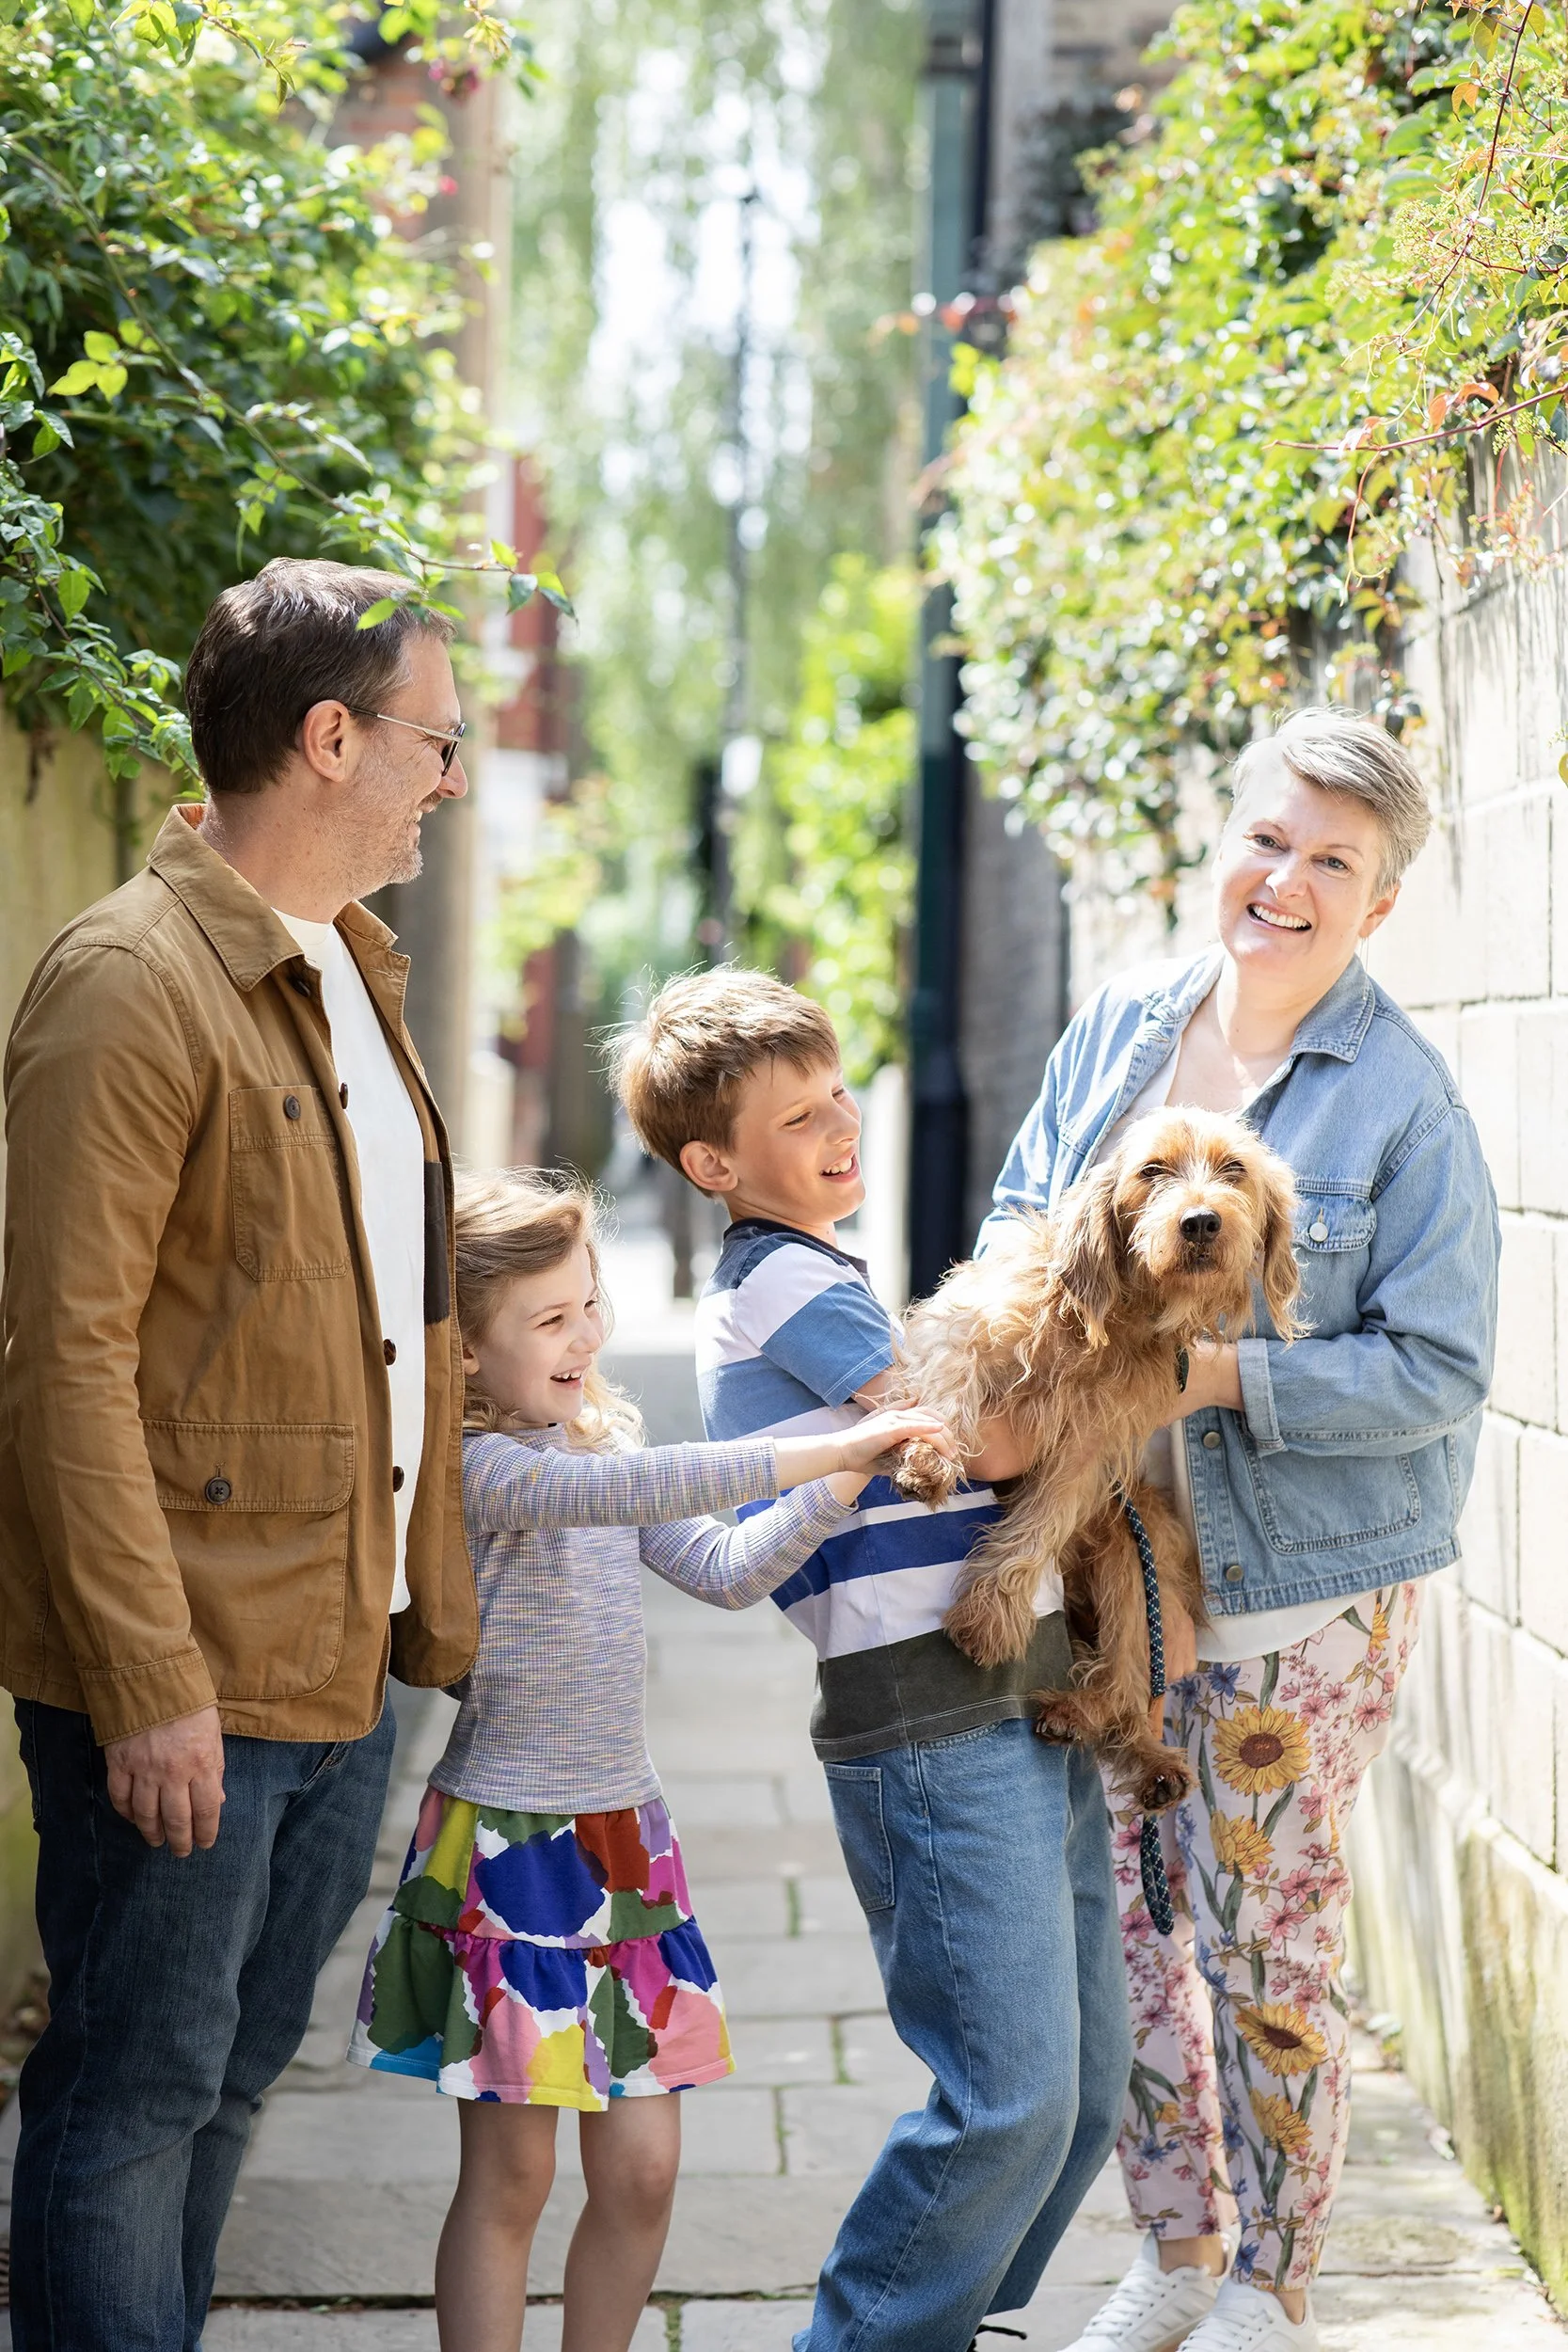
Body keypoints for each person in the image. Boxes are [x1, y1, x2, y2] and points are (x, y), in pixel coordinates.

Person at [1, 557, 483, 2352]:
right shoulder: (132, 984)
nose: (449, 779)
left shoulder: (347, 972)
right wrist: (144, 1683)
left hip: (337, 1657)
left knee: (225, 2083)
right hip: (190, 1669)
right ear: (331, 735)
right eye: (433, 741)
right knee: (130, 2096)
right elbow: (63, 1360)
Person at [978, 708, 1499, 2352]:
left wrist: (1212, 1379)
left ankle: (1273, 2288)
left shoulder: (1400, 1106)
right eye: (1269, 839)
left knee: (1260, 1936)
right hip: (1107, 1564)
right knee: (1131, 1930)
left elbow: (1438, 1367)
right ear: (1229, 839)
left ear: (1377, 904)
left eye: (1329, 863)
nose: (1284, 880)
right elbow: (1018, 1214)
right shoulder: (1125, 1022)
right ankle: (1175, 2256)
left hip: (1297, 1592)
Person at [613, 970, 1132, 2352]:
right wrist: (1139, 1372)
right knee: (1007, 2097)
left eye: (838, 1093)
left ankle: (939, 2323)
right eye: (797, 1117)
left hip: (1015, 1696)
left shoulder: (827, 1268)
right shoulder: (780, 1277)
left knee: (1081, 2089)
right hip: (928, 1727)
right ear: (716, 1165)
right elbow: (977, 1438)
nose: (840, 1127)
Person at [348, 1168, 950, 2352]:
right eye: (551, 1317)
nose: (587, 1336)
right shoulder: (487, 1470)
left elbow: (725, 1569)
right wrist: (833, 1438)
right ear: (464, 1353)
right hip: (509, 1850)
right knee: (511, 2179)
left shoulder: (584, 1434)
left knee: (642, 2173)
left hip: (624, 1845)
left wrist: (842, 1479)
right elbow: (637, 1486)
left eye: (591, 1303)